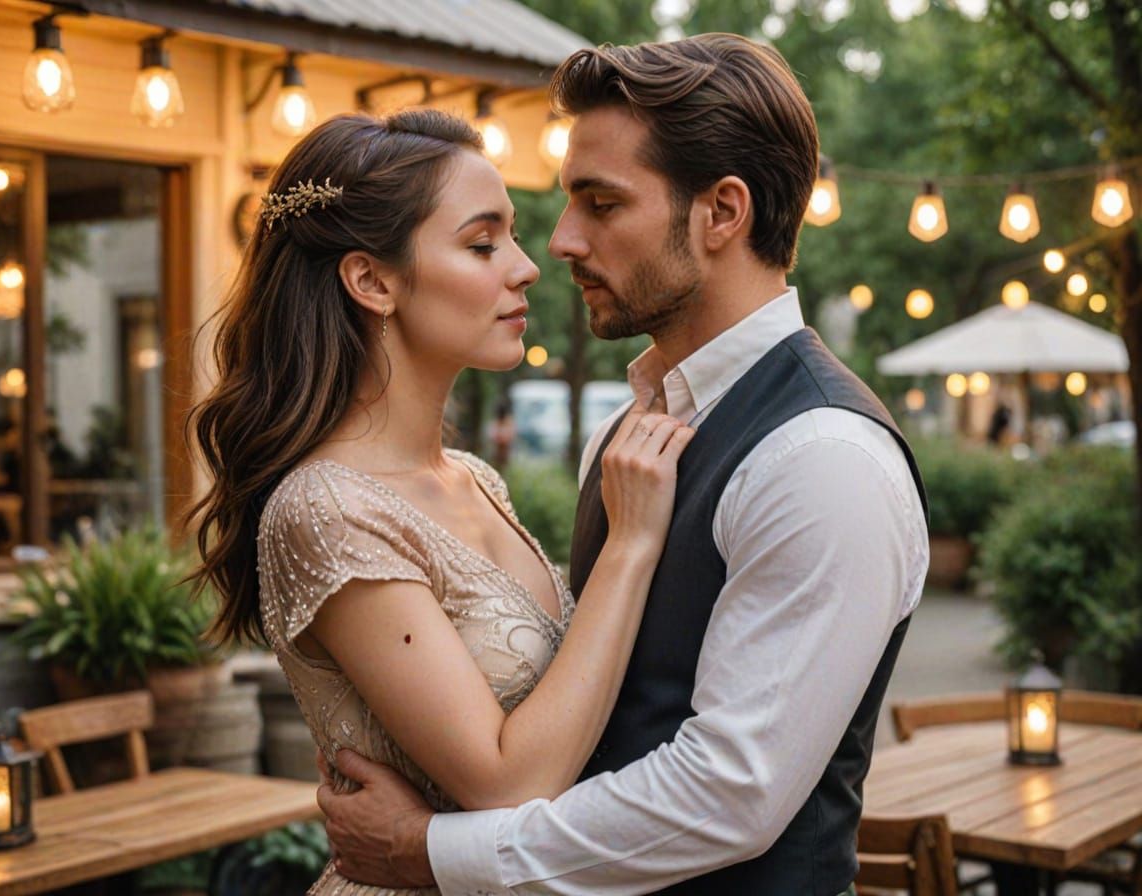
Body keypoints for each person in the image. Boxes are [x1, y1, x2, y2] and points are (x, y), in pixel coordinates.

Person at [317, 33, 930, 896]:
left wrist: (434, 851)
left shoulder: (823, 457)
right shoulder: (624, 432)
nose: (562, 241)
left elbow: (729, 794)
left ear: (722, 213)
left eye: (601, 204)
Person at [186, 109, 694, 896]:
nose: (526, 268)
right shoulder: (326, 510)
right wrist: (630, 546)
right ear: (372, 281)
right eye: (482, 244)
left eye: (512, 238)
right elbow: (504, 783)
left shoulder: (475, 478)